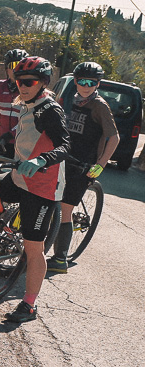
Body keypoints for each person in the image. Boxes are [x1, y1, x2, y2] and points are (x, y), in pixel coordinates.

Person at [0, 56, 70, 322]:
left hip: (42, 188)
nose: (21, 86)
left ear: (43, 83)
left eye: (28, 82)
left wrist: (41, 160)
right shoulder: (26, 104)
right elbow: (16, 136)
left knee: (34, 249)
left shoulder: (50, 110)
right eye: (18, 81)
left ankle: (29, 305)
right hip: (18, 178)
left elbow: (65, 146)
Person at [47, 61, 119, 274]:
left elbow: (113, 138)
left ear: (98, 83)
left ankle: (60, 259)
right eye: (82, 81)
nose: (86, 86)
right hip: (61, 158)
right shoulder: (69, 98)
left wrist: (100, 166)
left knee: (65, 210)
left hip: (83, 166)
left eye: (92, 82)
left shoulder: (99, 105)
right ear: (75, 81)